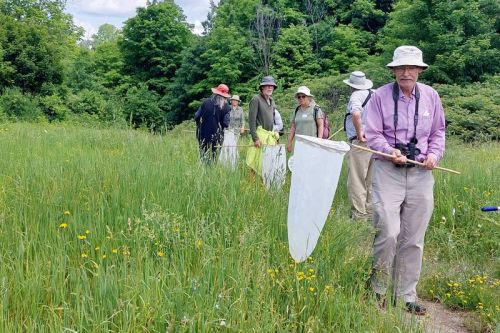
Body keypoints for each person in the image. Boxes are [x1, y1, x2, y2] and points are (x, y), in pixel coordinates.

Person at [364, 46, 446, 315]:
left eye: (411, 68)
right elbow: (372, 133)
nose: (405, 72)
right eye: (400, 68)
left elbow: (438, 132)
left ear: (420, 71)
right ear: (393, 71)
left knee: (414, 237)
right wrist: (390, 151)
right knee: (388, 231)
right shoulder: (379, 96)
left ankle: (405, 294)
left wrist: (434, 155)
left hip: (422, 172)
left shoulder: (432, 96)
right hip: (388, 170)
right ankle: (377, 288)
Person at [343, 71, 374, 221]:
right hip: (377, 142)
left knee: (356, 179)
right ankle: (370, 212)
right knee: (371, 179)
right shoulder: (374, 93)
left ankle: (359, 215)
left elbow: (356, 114)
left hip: (361, 142)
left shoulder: (356, 96)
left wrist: (359, 132)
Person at [246, 76, 281, 177]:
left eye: (272, 86)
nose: (270, 88)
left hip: (270, 136)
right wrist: (255, 138)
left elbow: (272, 120)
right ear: (262, 87)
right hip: (259, 136)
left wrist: (275, 134)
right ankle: (253, 186)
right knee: (256, 161)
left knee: (268, 162)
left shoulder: (272, 101)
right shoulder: (256, 99)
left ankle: (265, 184)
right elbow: (251, 121)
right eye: (267, 86)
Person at [194, 83, 231, 164]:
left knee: (204, 157)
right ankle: (212, 171)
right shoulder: (227, 107)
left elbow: (196, 116)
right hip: (218, 136)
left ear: (215, 93)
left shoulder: (206, 102)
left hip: (203, 134)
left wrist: (199, 126)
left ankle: (204, 172)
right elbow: (226, 123)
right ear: (225, 96)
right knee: (215, 158)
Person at [287, 86, 324, 153]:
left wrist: (319, 141)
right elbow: (293, 127)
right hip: (299, 145)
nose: (301, 98)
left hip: (313, 144)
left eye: (303, 96)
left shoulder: (316, 109)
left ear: (309, 97)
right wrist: (289, 142)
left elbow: (321, 125)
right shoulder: (296, 110)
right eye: (299, 97)